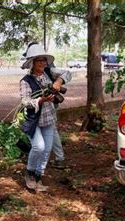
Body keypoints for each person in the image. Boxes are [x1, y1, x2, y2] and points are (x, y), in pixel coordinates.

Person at [20, 44, 71, 192]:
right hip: (34, 120)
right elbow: (25, 102)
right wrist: (40, 101)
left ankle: (38, 176)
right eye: (38, 61)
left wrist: (58, 82)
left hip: (48, 119)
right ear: (32, 63)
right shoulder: (26, 81)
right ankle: (29, 172)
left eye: (44, 60)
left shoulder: (49, 72)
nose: (42, 63)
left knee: (47, 149)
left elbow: (67, 73)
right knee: (39, 146)